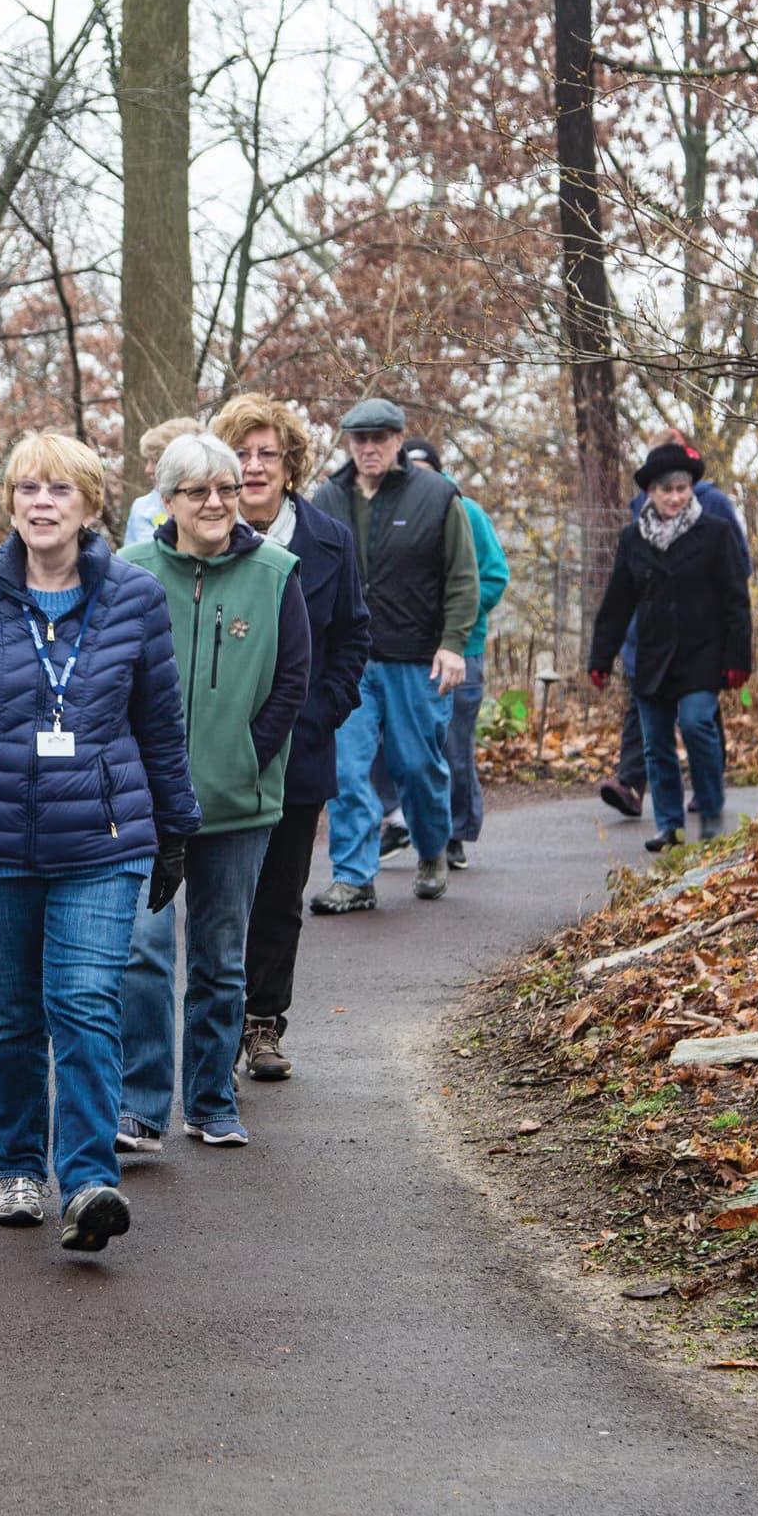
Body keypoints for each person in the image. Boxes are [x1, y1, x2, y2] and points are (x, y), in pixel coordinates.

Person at [0, 431, 198, 1254]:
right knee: (15, 1015)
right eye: (27, 489)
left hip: (103, 837)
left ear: (91, 506)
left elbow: (161, 726)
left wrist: (177, 831)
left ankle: (89, 1180)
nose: (41, 503)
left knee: (84, 1002)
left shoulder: (133, 598)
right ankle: (20, 1166)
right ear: (10, 504)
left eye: (59, 490)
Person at [114, 432, 310, 1151]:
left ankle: (210, 1098)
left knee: (222, 957)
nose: (217, 503)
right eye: (198, 492)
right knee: (142, 952)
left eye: (226, 489)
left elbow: (292, 681)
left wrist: (246, 758)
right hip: (141, 803)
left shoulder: (277, 572)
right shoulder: (127, 571)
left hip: (238, 803)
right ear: (167, 500)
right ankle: (138, 1106)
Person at [210, 392, 366, 1083]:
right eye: (240, 453)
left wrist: (326, 709)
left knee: (279, 895)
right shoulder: (202, 536)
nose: (253, 466)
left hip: (299, 748)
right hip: (215, 749)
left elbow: (354, 635)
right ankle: (213, 1023)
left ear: (290, 463)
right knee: (219, 897)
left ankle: (263, 1024)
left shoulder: (332, 540)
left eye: (266, 453)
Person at [306, 397, 480, 912]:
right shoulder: (326, 498)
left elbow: (463, 579)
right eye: (360, 439)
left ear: (398, 440)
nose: (369, 448)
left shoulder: (438, 496)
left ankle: (431, 851)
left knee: (417, 765)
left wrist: (453, 645)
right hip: (348, 662)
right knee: (347, 768)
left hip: (415, 657)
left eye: (379, 438)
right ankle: (354, 876)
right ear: (348, 443)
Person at [587, 443, 752, 851]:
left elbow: (736, 599)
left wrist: (737, 659)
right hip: (653, 656)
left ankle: (711, 813)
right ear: (651, 494)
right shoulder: (633, 539)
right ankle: (669, 826)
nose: (675, 497)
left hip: (703, 653)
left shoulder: (716, 533)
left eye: (682, 488)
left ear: (691, 489)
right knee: (656, 743)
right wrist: (600, 658)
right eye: (666, 490)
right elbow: (617, 602)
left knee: (697, 724)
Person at [371, 437, 508, 872]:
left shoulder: (465, 512)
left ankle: (454, 832)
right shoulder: (382, 510)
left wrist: (452, 619)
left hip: (458, 650)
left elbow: (492, 577)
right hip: (399, 651)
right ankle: (397, 820)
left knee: (451, 746)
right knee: (384, 743)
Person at [121, 415, 204, 546]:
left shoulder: (215, 506)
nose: (148, 470)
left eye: (155, 461)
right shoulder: (142, 508)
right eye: (148, 461)